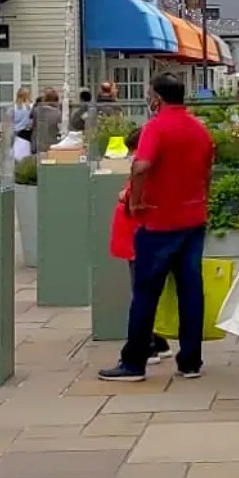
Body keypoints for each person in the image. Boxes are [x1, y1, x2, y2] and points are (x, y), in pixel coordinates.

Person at [100, 74, 214, 382]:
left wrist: (136, 200)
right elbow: (207, 169)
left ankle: (134, 360)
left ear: (157, 98)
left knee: (146, 291)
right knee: (191, 291)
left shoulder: (156, 127)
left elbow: (142, 165)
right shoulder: (199, 128)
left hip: (159, 220)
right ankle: (190, 360)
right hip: (193, 218)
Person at [108, 127, 172, 364]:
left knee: (141, 292)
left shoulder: (146, 169)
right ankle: (158, 341)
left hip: (139, 237)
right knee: (144, 290)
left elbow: (141, 194)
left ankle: (149, 346)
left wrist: (126, 195)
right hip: (136, 236)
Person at [30, 89, 64, 156]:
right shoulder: (58, 113)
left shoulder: (37, 110)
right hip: (53, 143)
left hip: (40, 142)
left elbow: (34, 127)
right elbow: (60, 130)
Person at [10, 88, 35, 160]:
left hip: (15, 134)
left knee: (15, 156)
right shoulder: (31, 107)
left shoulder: (13, 107)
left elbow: (10, 122)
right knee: (26, 157)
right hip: (26, 134)